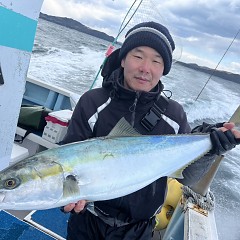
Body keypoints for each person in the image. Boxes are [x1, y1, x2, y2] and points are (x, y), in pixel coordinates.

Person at [60, 21, 240, 240]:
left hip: (139, 231)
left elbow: (186, 178)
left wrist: (212, 147)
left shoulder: (173, 116)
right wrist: (65, 198)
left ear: (163, 69)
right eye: (138, 56)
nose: (146, 68)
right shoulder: (93, 102)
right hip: (88, 222)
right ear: (123, 59)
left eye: (156, 61)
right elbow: (67, 158)